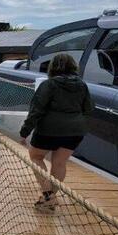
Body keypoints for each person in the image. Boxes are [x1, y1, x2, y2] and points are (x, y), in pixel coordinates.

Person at [19, 53, 93, 211]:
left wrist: (25, 131)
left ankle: (48, 196)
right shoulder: (82, 85)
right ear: (73, 66)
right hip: (75, 130)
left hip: (49, 129)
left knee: (36, 157)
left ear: (52, 66)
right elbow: (88, 109)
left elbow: (36, 110)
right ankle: (50, 198)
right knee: (59, 163)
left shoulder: (49, 84)